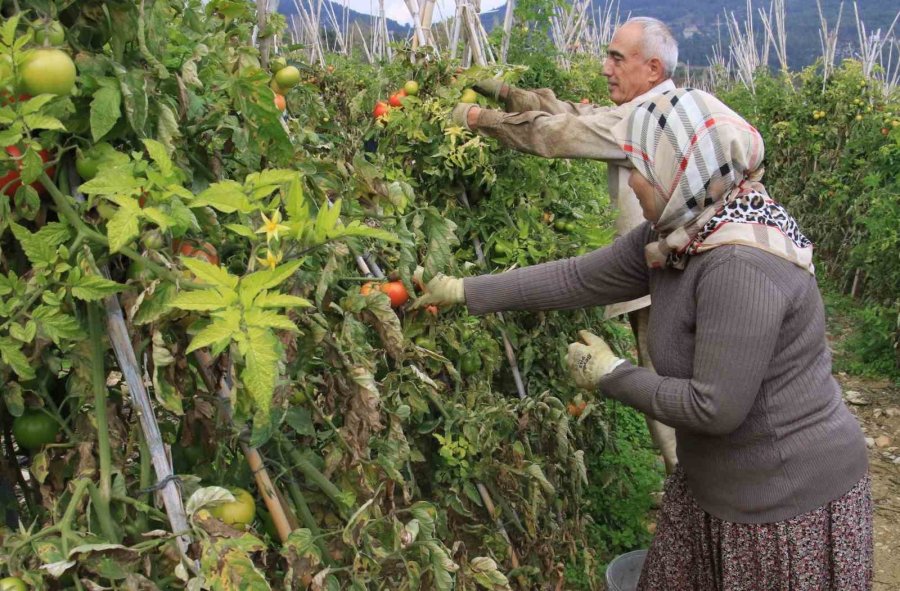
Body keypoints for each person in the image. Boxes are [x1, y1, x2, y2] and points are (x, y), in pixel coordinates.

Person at [417, 88, 873, 589]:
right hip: (713, 484)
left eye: (640, 167)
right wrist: (464, 290)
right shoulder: (677, 233)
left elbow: (714, 407)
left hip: (780, 503)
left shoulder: (738, 264)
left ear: (684, 170)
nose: (631, 182)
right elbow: (577, 278)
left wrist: (611, 374)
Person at [450, 17, 681, 473]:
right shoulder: (652, 106)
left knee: (666, 385)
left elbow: (557, 134)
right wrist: (503, 92)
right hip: (659, 264)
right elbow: (576, 114)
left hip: (669, 270)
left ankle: (693, 492)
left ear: (652, 68)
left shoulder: (646, 120)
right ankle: (692, 491)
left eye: (617, 57)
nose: (605, 67)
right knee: (666, 381)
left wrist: (477, 118)